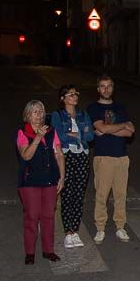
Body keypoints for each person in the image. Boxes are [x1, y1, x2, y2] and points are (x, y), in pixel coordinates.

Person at [86, 74, 134, 243]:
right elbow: (101, 128)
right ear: (98, 89)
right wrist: (120, 126)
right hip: (103, 157)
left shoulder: (120, 107)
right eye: (103, 86)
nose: (106, 89)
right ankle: (100, 227)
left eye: (109, 86)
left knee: (121, 194)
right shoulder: (93, 108)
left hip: (122, 157)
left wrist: (108, 128)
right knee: (102, 194)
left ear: (113, 88)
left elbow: (130, 131)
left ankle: (120, 226)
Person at [17, 100, 65, 264]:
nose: (39, 115)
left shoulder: (51, 131)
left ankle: (48, 250)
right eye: (35, 112)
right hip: (30, 180)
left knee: (49, 216)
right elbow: (26, 155)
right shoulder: (23, 132)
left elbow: (59, 154)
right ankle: (30, 252)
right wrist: (37, 137)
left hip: (50, 179)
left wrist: (62, 177)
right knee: (32, 216)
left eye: (41, 111)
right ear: (28, 115)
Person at [51, 85, 94, 248]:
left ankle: (75, 230)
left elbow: (90, 136)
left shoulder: (83, 115)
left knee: (79, 194)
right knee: (67, 194)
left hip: (82, 156)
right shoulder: (58, 115)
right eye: (70, 94)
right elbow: (59, 136)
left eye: (76, 93)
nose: (74, 96)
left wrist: (76, 134)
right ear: (63, 98)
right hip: (67, 156)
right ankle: (68, 232)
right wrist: (80, 134)